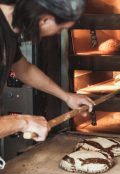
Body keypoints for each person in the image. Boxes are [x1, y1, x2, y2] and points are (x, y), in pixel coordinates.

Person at [0, 0, 94, 142]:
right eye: (61, 28)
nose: (57, 33)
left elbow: (23, 69)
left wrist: (66, 96)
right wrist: (23, 122)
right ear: (46, 19)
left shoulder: (8, 27)